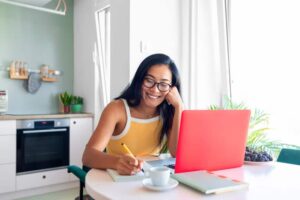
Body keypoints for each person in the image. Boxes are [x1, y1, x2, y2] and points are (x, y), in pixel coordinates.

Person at [82, 53, 183, 175]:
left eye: (163, 84)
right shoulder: (116, 109)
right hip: (116, 180)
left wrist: (179, 107)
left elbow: (177, 154)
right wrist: (117, 162)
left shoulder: (168, 113)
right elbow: (88, 156)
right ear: (140, 80)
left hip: (149, 180)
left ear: (172, 89)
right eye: (149, 80)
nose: (155, 90)